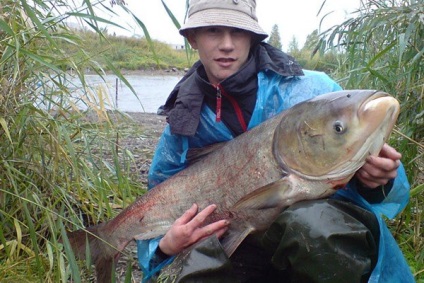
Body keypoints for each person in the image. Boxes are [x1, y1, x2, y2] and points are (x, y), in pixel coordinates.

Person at [137, 0, 413, 282]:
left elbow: (389, 190)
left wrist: (379, 181)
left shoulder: (314, 91)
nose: (227, 44)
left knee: (316, 226)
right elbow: (155, 201)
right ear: (192, 38)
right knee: (196, 262)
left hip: (312, 239)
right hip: (237, 242)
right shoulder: (183, 119)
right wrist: (164, 246)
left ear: (253, 37)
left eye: (238, 32)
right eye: (213, 30)